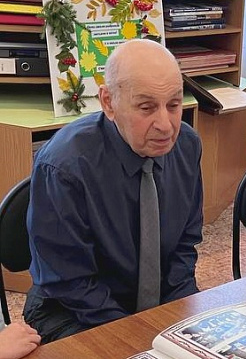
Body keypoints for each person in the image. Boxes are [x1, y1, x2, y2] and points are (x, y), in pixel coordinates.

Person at [25, 39, 203, 343]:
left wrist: (177, 314)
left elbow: (185, 243)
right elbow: (69, 280)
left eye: (174, 105)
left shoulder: (186, 145)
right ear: (108, 102)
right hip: (73, 310)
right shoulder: (65, 166)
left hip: (156, 299)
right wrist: (133, 334)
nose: (166, 125)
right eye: (146, 108)